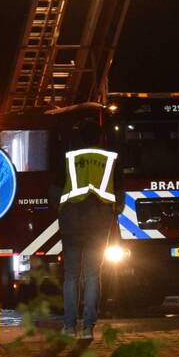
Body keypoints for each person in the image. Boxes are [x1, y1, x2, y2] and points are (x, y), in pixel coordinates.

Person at [56, 118, 120, 340]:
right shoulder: (110, 158)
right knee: (93, 275)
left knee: (71, 276)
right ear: (100, 136)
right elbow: (119, 193)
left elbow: (55, 187)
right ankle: (88, 329)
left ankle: (69, 327)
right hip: (99, 224)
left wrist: (61, 210)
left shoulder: (69, 157)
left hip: (72, 223)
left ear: (79, 136)